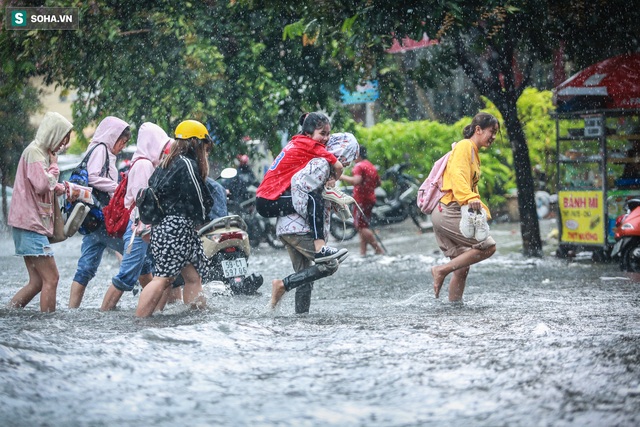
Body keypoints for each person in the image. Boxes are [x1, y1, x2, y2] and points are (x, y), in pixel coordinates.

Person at [269, 133, 360, 313]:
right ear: (341, 152)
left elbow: (314, 194)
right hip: (298, 228)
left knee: (305, 277)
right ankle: (282, 285)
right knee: (330, 264)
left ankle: (302, 320)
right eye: (349, 158)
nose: (349, 164)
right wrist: (310, 212)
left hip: (288, 227)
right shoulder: (322, 164)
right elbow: (300, 185)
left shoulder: (321, 164)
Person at [135, 119, 214, 318]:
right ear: (195, 142)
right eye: (204, 145)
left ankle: (195, 316)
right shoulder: (186, 164)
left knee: (192, 277)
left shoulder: (166, 162)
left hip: (164, 227)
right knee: (162, 278)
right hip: (176, 228)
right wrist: (205, 216)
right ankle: (140, 320)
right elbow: (199, 196)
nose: (205, 150)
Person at [100, 123, 173, 311]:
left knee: (147, 272)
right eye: (161, 145)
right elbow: (144, 201)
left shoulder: (145, 163)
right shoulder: (144, 165)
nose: (165, 150)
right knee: (126, 276)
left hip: (141, 229)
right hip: (139, 230)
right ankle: (104, 314)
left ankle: (153, 311)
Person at [256, 112, 346, 262]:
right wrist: (333, 180)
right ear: (308, 133)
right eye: (322, 133)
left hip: (265, 199)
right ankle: (320, 248)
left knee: (311, 198)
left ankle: (282, 285)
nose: (326, 138)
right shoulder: (311, 145)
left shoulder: (298, 141)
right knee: (313, 198)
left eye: (328, 134)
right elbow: (339, 166)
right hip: (269, 200)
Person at [8, 112, 73, 313]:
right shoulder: (35, 153)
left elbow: (42, 185)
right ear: (53, 134)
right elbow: (41, 185)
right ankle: (48, 325)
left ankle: (8, 314)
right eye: (63, 139)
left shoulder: (40, 153)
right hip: (30, 226)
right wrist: (55, 167)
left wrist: (60, 187)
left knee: (37, 282)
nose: (63, 145)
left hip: (27, 225)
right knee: (52, 278)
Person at [430, 112, 499, 302]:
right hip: (449, 211)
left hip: (449, 211)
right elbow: (457, 175)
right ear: (478, 129)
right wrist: (469, 198)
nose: (493, 137)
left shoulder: (474, 153)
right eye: (491, 131)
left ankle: (454, 310)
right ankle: (440, 270)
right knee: (488, 246)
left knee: (461, 268)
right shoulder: (465, 146)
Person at [69, 116, 131, 308]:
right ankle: (151, 306)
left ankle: (71, 310)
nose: (122, 146)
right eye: (122, 141)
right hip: (103, 217)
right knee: (136, 259)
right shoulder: (102, 149)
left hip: (93, 219)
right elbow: (94, 177)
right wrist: (118, 187)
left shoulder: (100, 150)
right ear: (113, 136)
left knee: (85, 268)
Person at [339, 144, 385, 256]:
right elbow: (379, 183)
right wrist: (368, 187)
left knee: (360, 227)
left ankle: (378, 250)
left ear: (357, 154)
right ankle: (363, 253)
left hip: (361, 200)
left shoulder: (359, 166)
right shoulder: (369, 165)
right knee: (363, 226)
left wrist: (340, 176)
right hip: (370, 199)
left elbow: (356, 181)